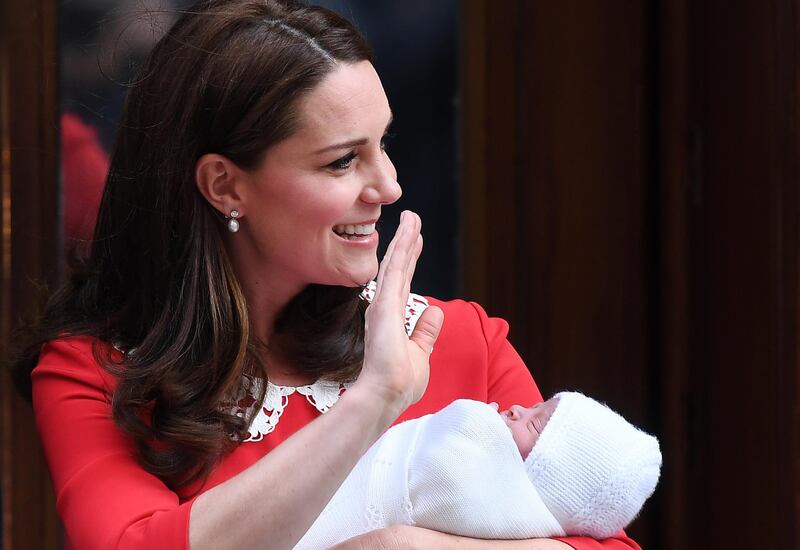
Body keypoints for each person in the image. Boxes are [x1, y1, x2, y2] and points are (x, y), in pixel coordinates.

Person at [13, 1, 642, 549]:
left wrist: (405, 548)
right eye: (343, 161)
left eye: (383, 144)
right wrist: (372, 402)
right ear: (225, 185)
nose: (390, 186)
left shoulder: (458, 338)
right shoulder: (95, 371)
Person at [295, 393, 661, 549]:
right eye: (536, 406)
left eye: (536, 425)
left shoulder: (483, 482)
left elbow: (457, 437)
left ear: (552, 484)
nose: (517, 408)